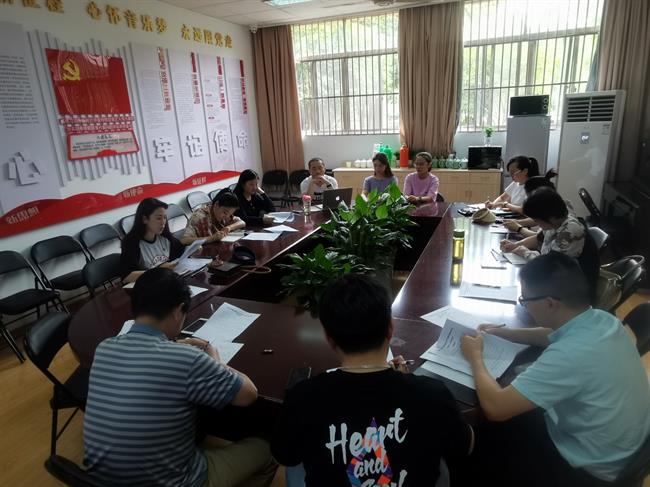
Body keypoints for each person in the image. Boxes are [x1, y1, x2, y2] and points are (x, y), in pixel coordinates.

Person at [460, 252, 650, 486]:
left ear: (550, 303)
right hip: (621, 448)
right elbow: (554, 334)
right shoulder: (602, 319)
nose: (524, 305)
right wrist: (505, 333)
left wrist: (475, 356)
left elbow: (496, 408)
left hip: (590, 470)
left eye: (525, 299)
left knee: (490, 429)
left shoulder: (571, 355)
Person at [272, 274, 474, 487]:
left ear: (329, 339)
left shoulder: (303, 398)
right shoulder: (432, 394)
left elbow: (285, 456)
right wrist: (409, 384)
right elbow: (465, 446)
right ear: (390, 329)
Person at [83, 267, 277, 486]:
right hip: (175, 482)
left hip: (100, 481)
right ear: (177, 311)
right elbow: (249, 394)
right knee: (270, 449)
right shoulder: (187, 359)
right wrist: (215, 361)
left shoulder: (104, 348)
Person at [500, 188, 599, 301]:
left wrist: (524, 252)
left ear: (550, 218)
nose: (536, 223)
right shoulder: (556, 221)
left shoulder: (570, 231)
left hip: (572, 294)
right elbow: (538, 238)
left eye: (537, 220)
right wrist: (515, 245)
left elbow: (548, 266)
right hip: (555, 280)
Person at [119, 198, 186, 283]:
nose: (163, 222)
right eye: (159, 218)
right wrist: (159, 270)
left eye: (165, 218)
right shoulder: (131, 243)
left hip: (167, 282)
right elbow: (127, 277)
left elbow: (180, 251)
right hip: (149, 287)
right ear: (145, 219)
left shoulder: (165, 237)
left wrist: (193, 249)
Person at [503, 171, 565, 237]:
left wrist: (519, 228)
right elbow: (540, 237)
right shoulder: (555, 210)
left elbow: (538, 236)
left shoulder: (564, 229)